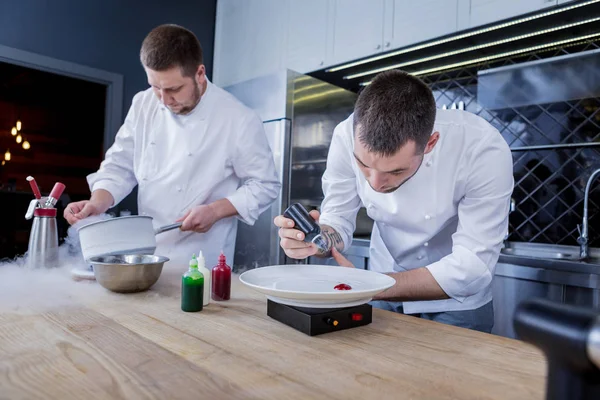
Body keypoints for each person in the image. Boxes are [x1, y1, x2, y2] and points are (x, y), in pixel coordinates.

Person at [274, 70, 514, 333]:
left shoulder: (482, 148)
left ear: (430, 143)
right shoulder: (345, 135)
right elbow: (337, 221)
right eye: (363, 165)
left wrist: (371, 286)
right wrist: (314, 241)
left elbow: (472, 266)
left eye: (396, 171)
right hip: (382, 284)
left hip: (456, 303)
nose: (375, 184)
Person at [65, 24, 280, 268]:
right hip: (147, 255)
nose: (165, 100)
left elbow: (265, 185)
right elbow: (120, 165)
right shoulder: (143, 103)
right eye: (155, 87)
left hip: (202, 262)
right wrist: (98, 202)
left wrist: (215, 210)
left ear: (199, 74)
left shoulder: (239, 118)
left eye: (174, 89)